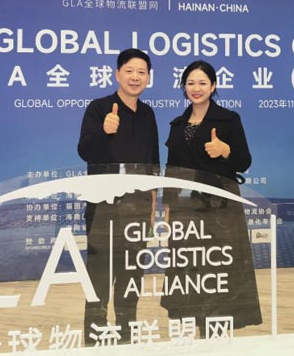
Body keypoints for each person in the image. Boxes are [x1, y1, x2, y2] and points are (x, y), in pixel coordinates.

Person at [161, 60, 262, 335]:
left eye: (202, 83)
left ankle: (216, 332)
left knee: (218, 266)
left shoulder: (228, 119)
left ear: (213, 86)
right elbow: (171, 169)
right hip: (185, 209)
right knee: (188, 266)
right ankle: (191, 332)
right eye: (191, 83)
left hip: (220, 208)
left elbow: (244, 161)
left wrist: (225, 150)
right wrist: (167, 207)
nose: (196, 88)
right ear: (184, 86)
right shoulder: (177, 124)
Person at [77, 48, 159, 344]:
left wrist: (153, 206)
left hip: (138, 208)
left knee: (132, 274)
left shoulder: (148, 114)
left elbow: (153, 163)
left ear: (148, 78)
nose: (135, 77)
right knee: (100, 273)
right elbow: (85, 151)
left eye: (141, 72)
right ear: (117, 74)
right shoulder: (99, 108)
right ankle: (95, 335)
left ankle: (127, 333)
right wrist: (104, 130)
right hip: (104, 206)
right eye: (129, 71)